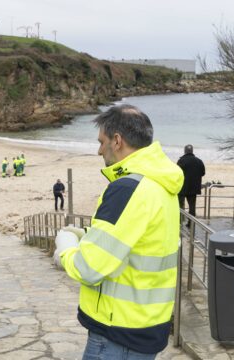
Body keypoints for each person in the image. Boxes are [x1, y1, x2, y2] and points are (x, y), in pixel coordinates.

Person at [54, 105, 183, 359]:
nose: (99, 150)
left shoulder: (127, 188)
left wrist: (66, 248)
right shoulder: (161, 184)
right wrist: (89, 236)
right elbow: (136, 243)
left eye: (102, 142)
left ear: (117, 140)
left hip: (117, 334)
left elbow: (89, 269)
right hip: (147, 324)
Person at [177, 144, 205, 223]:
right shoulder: (199, 161)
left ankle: (180, 221)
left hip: (182, 187)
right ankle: (191, 223)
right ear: (192, 151)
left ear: (185, 151)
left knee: (180, 206)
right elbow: (203, 173)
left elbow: (177, 173)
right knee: (192, 207)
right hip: (194, 188)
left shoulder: (181, 160)